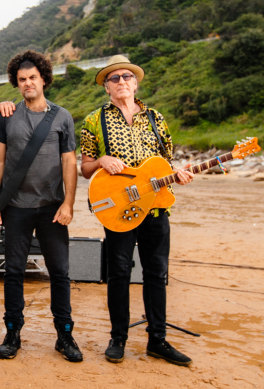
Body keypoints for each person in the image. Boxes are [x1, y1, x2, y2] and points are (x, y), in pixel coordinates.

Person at [80, 55, 194, 366]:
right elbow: (85, 166)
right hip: (119, 211)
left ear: (136, 82)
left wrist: (178, 175)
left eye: (126, 77)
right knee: (118, 274)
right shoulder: (94, 120)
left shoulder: (157, 118)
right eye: (114, 78)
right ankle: (118, 338)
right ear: (106, 86)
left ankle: (157, 340)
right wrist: (102, 161)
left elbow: (165, 164)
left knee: (157, 274)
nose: (121, 82)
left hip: (155, 209)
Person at [0, 50, 82, 362]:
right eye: (22, 79)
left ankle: (64, 334)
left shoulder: (63, 117)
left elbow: (69, 162)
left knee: (60, 271)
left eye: (32, 78)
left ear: (44, 80)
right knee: (13, 271)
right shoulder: (7, 115)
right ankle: (12, 331)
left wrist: (68, 203)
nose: (28, 83)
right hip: (15, 207)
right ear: (17, 83)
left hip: (52, 206)